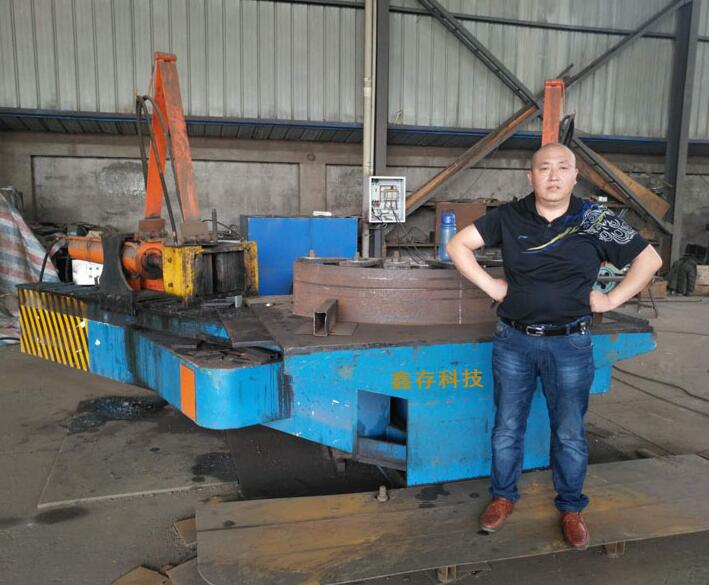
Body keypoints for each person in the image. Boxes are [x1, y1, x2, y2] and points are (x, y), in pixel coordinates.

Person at [446, 143, 662, 550]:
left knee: (569, 432)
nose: (553, 175)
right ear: (531, 176)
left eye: (562, 168)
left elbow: (649, 260)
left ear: (575, 176)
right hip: (514, 341)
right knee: (507, 426)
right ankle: (502, 497)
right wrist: (492, 286)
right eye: (544, 168)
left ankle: (571, 507)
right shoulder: (509, 216)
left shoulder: (595, 219)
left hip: (570, 345)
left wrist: (612, 300)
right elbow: (458, 245)